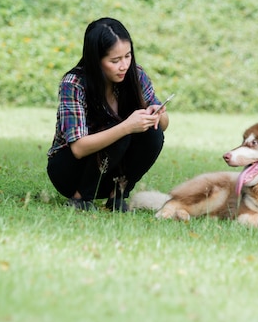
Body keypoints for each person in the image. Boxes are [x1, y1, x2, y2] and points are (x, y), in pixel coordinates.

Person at [46, 17, 169, 212]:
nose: (124, 65)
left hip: (111, 170)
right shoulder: (74, 83)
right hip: (70, 171)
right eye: (115, 60)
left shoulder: (135, 75)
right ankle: (80, 198)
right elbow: (78, 148)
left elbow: (163, 125)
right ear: (96, 60)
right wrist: (127, 126)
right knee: (118, 131)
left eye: (127, 56)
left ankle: (117, 196)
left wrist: (156, 112)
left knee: (153, 134)